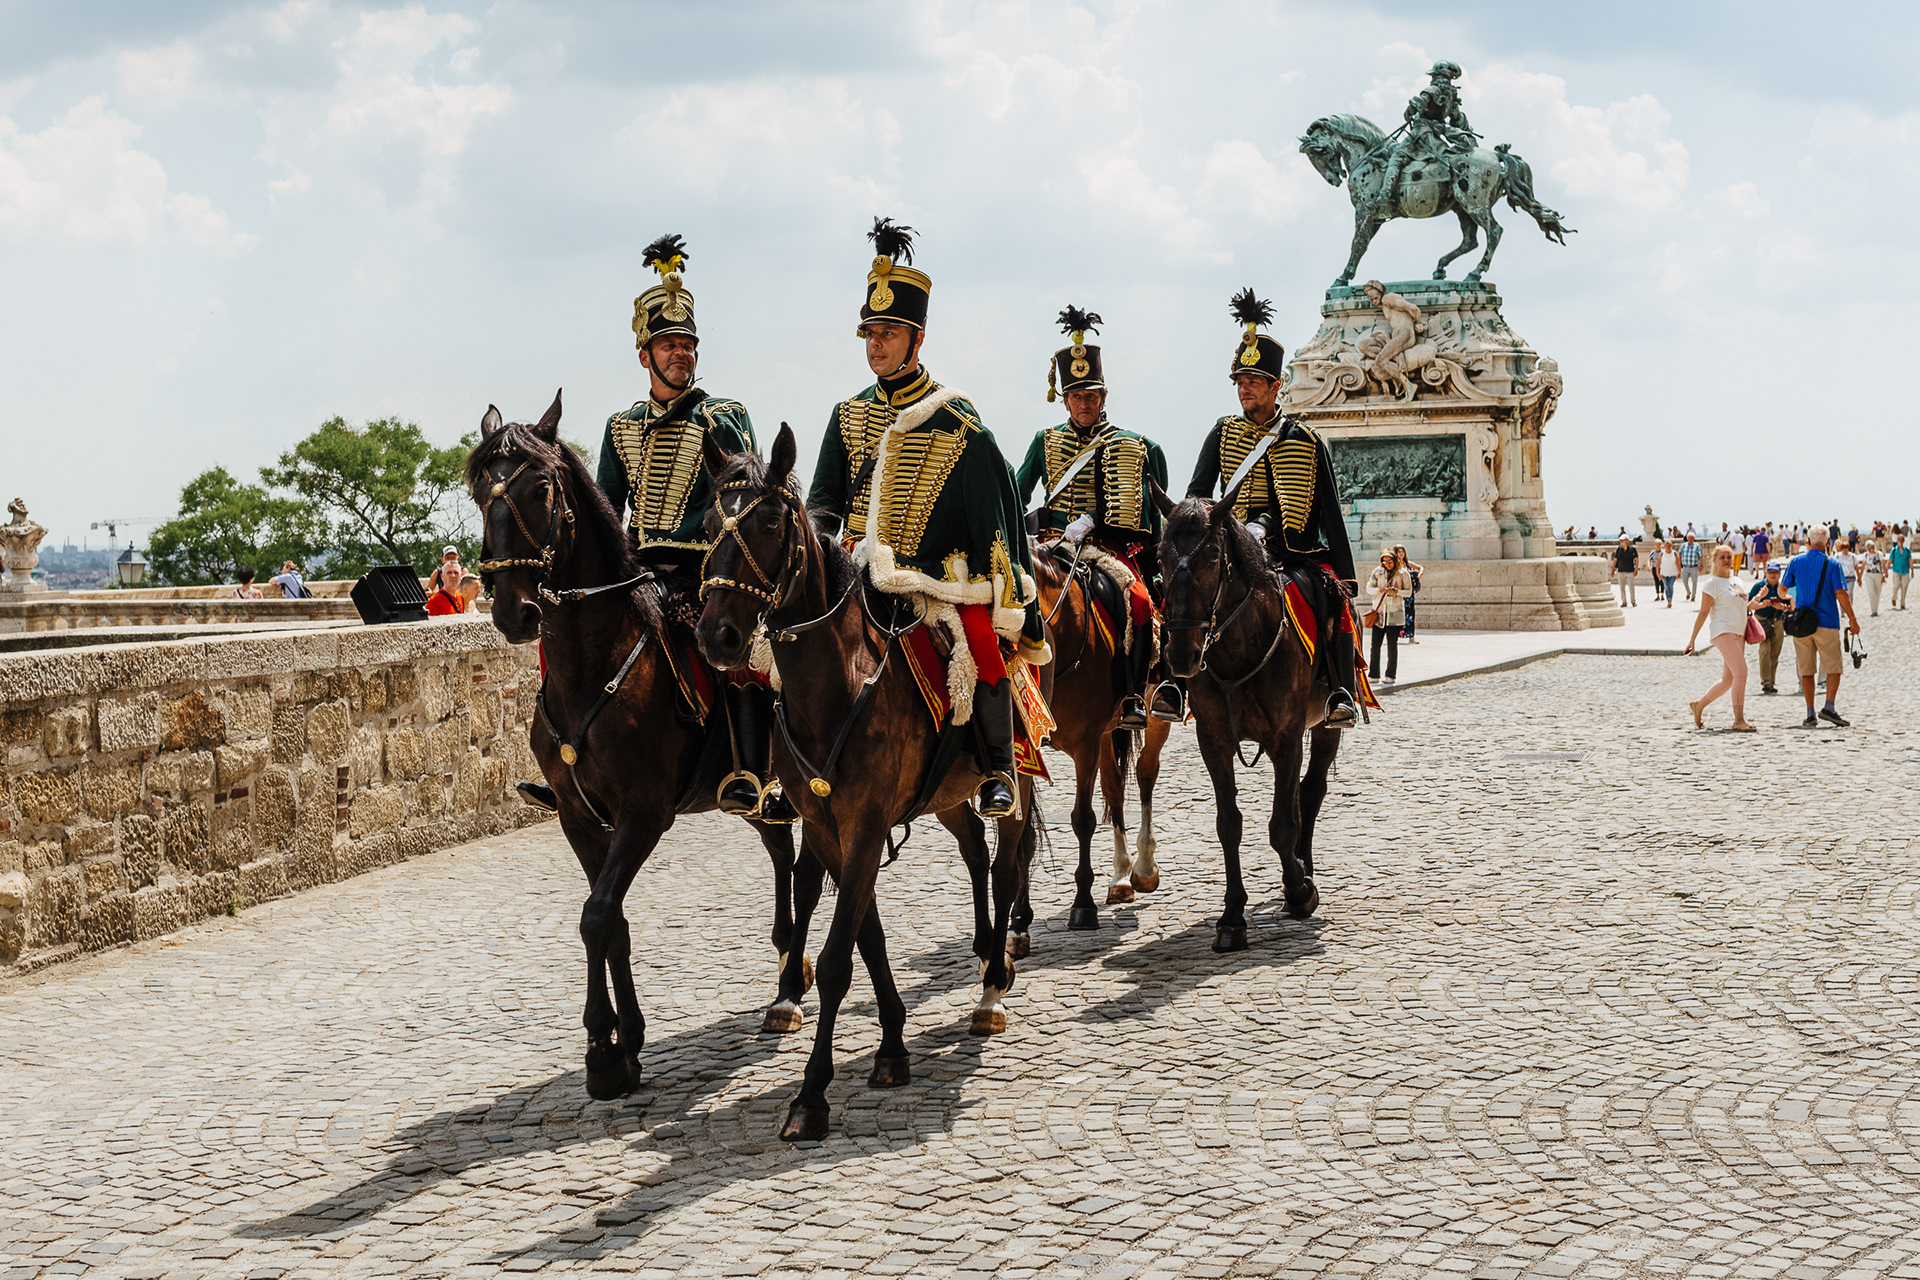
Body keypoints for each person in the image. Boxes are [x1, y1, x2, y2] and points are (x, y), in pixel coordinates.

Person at [808, 218, 1045, 818]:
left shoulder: (957, 423)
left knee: (980, 642)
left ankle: (996, 767)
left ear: (917, 339)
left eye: (888, 333)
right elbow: (824, 500)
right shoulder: (847, 415)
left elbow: (992, 522)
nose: (876, 345)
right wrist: (820, 545)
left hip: (933, 577)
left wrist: (997, 591)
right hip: (852, 568)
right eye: (870, 333)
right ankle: (777, 768)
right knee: (784, 643)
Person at [588, 233, 791, 822]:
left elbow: (749, 498)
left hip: (707, 570)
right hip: (638, 573)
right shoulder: (620, 426)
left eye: (688, 345)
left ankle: (751, 771)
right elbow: (607, 512)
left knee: (738, 644)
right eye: (669, 344)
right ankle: (571, 764)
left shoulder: (722, 416)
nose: (681, 353)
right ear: (644, 356)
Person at [1178, 287, 1360, 727]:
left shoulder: (1306, 440)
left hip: (1290, 550)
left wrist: (1345, 572)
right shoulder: (1222, 432)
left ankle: (1340, 691)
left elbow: (1328, 510)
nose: (1244, 390)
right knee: (1185, 595)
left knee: (1331, 601)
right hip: (1232, 547)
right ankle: (1175, 684)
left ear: (1275, 387)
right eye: (1240, 382)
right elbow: (1198, 493)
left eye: (1253, 383)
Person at [1013, 304, 1167, 729]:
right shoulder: (1045, 441)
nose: (1084, 403)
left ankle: (1134, 694)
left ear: (1103, 397)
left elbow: (1141, 508)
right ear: (1065, 399)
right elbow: (1019, 491)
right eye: (1077, 396)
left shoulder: (1130, 444)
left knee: (1139, 602)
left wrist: (1093, 519)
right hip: (1051, 544)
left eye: (1092, 396)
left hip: (1103, 547)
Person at [1781, 526, 1862, 728]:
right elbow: (1841, 593)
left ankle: (1810, 713)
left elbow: (1782, 590)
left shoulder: (1795, 562)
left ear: (1807, 541)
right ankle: (1829, 706)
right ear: (1827, 543)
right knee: (1833, 666)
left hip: (1802, 624)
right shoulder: (1832, 564)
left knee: (1806, 669)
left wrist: (1791, 599)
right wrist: (1852, 619)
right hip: (1826, 622)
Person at [1684, 545, 1758, 732]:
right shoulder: (1712, 583)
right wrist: (1692, 640)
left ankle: (1699, 706)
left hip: (1739, 632)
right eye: (1722, 557)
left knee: (1728, 679)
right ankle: (1739, 720)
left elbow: (1743, 607)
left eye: (1729, 557)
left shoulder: (1738, 581)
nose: (1726, 560)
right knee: (1741, 672)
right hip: (1723, 631)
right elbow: (1703, 612)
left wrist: (1759, 601)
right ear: (1715, 560)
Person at [1365, 551, 1410, 684]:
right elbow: (1369, 587)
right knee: (1375, 645)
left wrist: (1397, 592)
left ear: (1395, 560)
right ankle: (1374, 674)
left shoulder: (1403, 573)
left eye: (1389, 561)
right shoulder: (1378, 572)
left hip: (1395, 614)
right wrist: (1378, 590)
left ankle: (1390, 675)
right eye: (1384, 562)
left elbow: (1408, 592)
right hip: (1379, 614)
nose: (1387, 564)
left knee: (1392, 646)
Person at [1748, 562, 1790, 695]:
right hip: (1762, 621)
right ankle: (1766, 682)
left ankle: (1771, 681)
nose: (1773, 575)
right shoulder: (1759, 587)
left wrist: (1781, 606)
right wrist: (1762, 604)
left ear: (1779, 574)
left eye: (1775, 572)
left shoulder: (1782, 588)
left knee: (1775, 653)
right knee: (1765, 651)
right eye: (1770, 572)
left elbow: (1790, 606)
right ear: (1766, 573)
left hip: (1778, 621)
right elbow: (1749, 605)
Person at [1394, 544, 1423, 643]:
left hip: (1408, 593)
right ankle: (1395, 636)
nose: (1401, 554)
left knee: (1410, 614)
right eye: (1399, 552)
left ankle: (1411, 637)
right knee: (1398, 614)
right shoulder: (1394, 565)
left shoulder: (1407, 564)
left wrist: (1419, 575)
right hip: (1398, 593)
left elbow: (1420, 567)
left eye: (1402, 552)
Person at [1860, 541, 1886, 616]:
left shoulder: (1879, 554)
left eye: (1870, 548)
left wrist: (1884, 575)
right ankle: (1873, 610)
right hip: (1869, 574)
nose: (1869, 550)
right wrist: (1860, 577)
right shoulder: (1865, 555)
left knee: (1877, 593)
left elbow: (1883, 564)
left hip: (1878, 574)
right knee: (1872, 592)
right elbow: (1863, 566)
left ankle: (1875, 608)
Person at [1611, 536, 1639, 607]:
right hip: (1620, 571)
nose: (1621, 542)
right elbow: (1615, 559)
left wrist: (1636, 569)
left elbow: (1636, 559)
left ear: (1627, 540)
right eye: (1621, 540)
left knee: (1631, 586)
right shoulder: (1619, 549)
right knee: (1622, 587)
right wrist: (1613, 569)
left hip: (1630, 571)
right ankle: (1624, 601)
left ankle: (1633, 601)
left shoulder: (1632, 549)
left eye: (1623, 540)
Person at [1654, 539, 1680, 606]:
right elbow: (1658, 564)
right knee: (1666, 587)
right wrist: (1657, 573)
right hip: (1664, 573)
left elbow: (1678, 563)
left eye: (1669, 545)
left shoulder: (1674, 553)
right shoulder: (1662, 554)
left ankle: (1669, 600)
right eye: (1667, 546)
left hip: (1672, 573)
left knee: (1670, 586)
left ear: (1671, 546)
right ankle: (1668, 599)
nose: (1668, 547)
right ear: (1664, 546)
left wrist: (1679, 572)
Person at [1678, 532, 1702, 601]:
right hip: (1685, 566)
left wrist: (1701, 565)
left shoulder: (1697, 546)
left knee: (1694, 582)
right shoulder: (1683, 545)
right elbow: (1679, 554)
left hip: (1694, 566)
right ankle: (1688, 591)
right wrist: (1679, 564)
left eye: (1692, 538)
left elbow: (1701, 556)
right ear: (1687, 538)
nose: (1690, 539)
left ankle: (1693, 596)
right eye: (1689, 538)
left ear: (1694, 539)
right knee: (1684, 580)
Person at [1890, 533, 1911, 609]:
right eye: (1899, 540)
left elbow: (1910, 560)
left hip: (1905, 570)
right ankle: (1894, 597)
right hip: (1896, 570)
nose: (1900, 541)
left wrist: (1912, 570)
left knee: (1904, 587)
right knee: (1896, 585)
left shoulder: (1907, 550)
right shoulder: (1894, 550)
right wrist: (1885, 571)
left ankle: (1902, 603)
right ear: (1897, 541)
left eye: (1902, 540)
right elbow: (1890, 560)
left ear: (1904, 541)